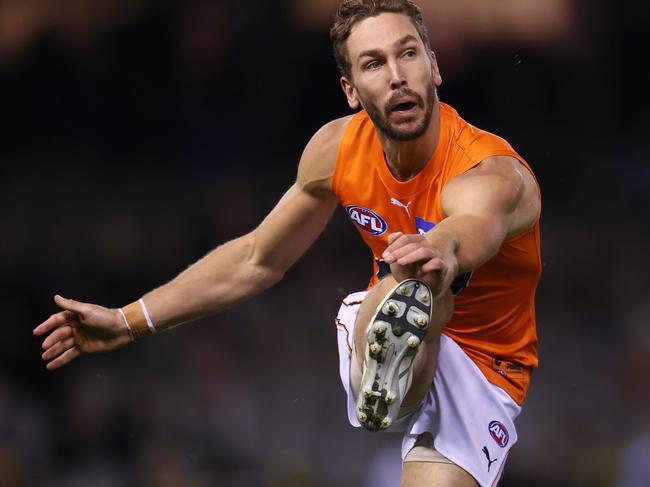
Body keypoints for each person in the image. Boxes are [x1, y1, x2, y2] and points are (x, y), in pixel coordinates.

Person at [33, 1, 541, 485]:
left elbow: (471, 227)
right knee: (404, 285)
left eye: (408, 53)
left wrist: (443, 247)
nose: (396, 75)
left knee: (424, 278)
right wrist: (127, 322)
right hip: (389, 309)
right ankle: (397, 346)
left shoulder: (490, 172)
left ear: (434, 66)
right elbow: (256, 259)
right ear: (351, 89)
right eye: (373, 63)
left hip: (488, 369)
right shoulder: (335, 151)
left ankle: (416, 326)